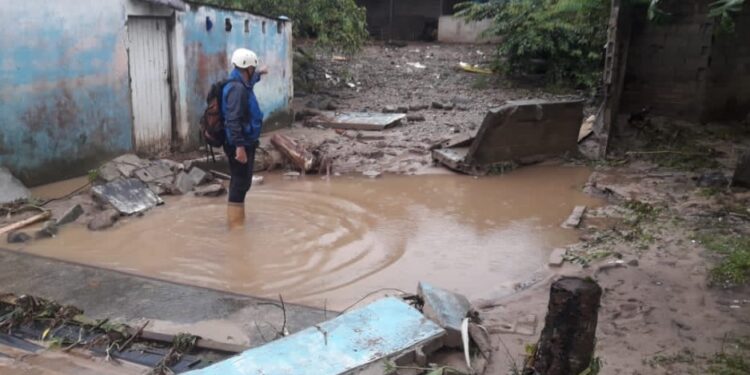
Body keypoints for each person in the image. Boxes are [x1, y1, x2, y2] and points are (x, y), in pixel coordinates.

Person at [223, 48, 268, 229]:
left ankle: (236, 221)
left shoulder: (241, 81)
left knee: (240, 181)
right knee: (240, 183)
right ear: (247, 68)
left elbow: (251, 81)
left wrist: (260, 74)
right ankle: (235, 226)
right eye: (253, 68)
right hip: (239, 143)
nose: (253, 71)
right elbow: (233, 119)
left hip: (243, 141)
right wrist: (239, 147)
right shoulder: (237, 89)